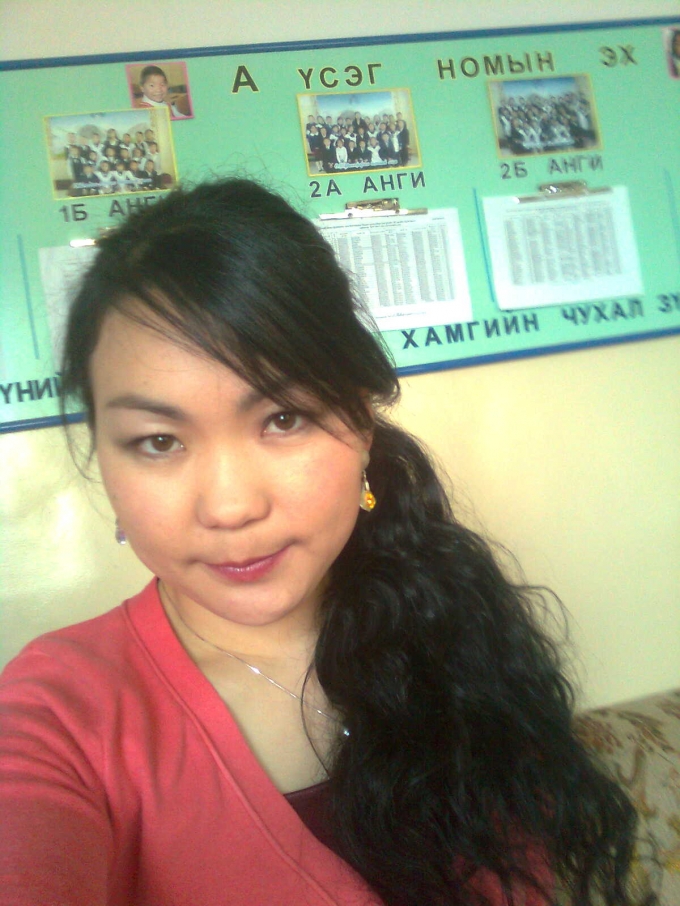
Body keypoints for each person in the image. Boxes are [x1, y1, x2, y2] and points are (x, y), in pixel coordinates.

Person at [0, 178, 639, 906]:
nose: (232, 507)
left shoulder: (451, 624)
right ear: (105, 459)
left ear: (362, 423)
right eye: (158, 441)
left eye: (284, 419)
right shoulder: (59, 717)